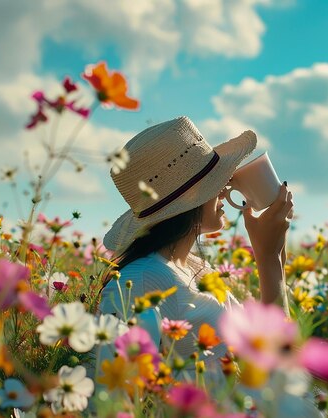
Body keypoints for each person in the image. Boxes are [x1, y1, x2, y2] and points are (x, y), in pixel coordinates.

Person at [98, 116, 305, 406]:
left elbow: (276, 357)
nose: (225, 188)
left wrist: (273, 254)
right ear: (190, 198)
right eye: (215, 180)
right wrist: (269, 258)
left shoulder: (196, 270)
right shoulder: (139, 281)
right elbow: (116, 401)